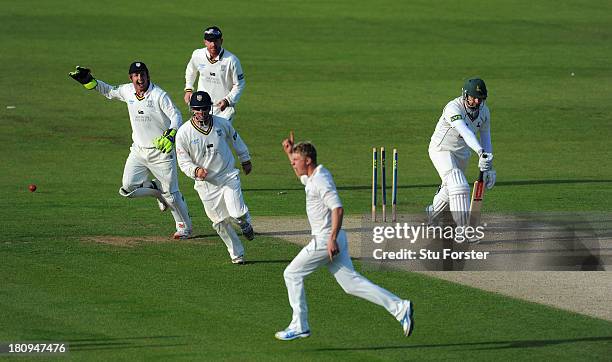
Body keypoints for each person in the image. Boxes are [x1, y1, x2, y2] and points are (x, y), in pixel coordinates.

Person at [276, 135, 414, 341]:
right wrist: (289, 152)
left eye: (295, 161)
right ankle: (400, 307)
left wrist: (331, 238)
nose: (292, 164)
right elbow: (303, 179)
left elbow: (338, 209)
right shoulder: (314, 177)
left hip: (325, 240)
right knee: (351, 284)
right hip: (335, 237)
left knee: (291, 274)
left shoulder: (321, 180)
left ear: (307, 161)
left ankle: (299, 325)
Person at [68, 62, 192, 239]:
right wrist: (89, 81)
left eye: (142, 74)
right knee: (127, 188)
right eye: (136, 75)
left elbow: (176, 115)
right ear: (131, 78)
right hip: (138, 151)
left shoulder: (158, 95)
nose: (139, 79)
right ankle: (156, 189)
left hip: (161, 153)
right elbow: (109, 91)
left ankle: (184, 228)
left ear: (148, 75)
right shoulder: (127, 91)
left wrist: (171, 133)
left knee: (171, 195)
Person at [175, 91, 254, 264]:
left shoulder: (222, 124)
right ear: (192, 109)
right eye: (198, 109)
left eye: (204, 109)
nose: (202, 112)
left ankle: (245, 223)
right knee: (219, 222)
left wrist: (245, 158)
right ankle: (237, 255)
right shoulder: (184, 133)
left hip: (227, 176)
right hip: (206, 185)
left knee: (237, 213)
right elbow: (183, 161)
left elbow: (236, 140)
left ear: (209, 108)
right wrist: (195, 171)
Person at [427, 78, 496, 238]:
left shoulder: (484, 112)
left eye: (480, 98)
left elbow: (486, 137)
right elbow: (464, 131)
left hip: (462, 153)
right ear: (465, 95)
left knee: (449, 188)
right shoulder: (453, 107)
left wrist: (489, 165)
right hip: (441, 149)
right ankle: (464, 230)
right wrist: (480, 151)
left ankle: (433, 215)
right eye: (473, 97)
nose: (477, 101)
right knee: (460, 186)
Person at [184, 26, 245, 123]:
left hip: (224, 109)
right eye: (210, 41)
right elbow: (191, 71)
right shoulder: (197, 55)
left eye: (216, 40)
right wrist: (189, 89)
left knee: (220, 136)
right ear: (205, 42)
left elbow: (239, 84)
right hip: (202, 106)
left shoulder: (231, 60)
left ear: (221, 41)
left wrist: (227, 100)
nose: (213, 44)